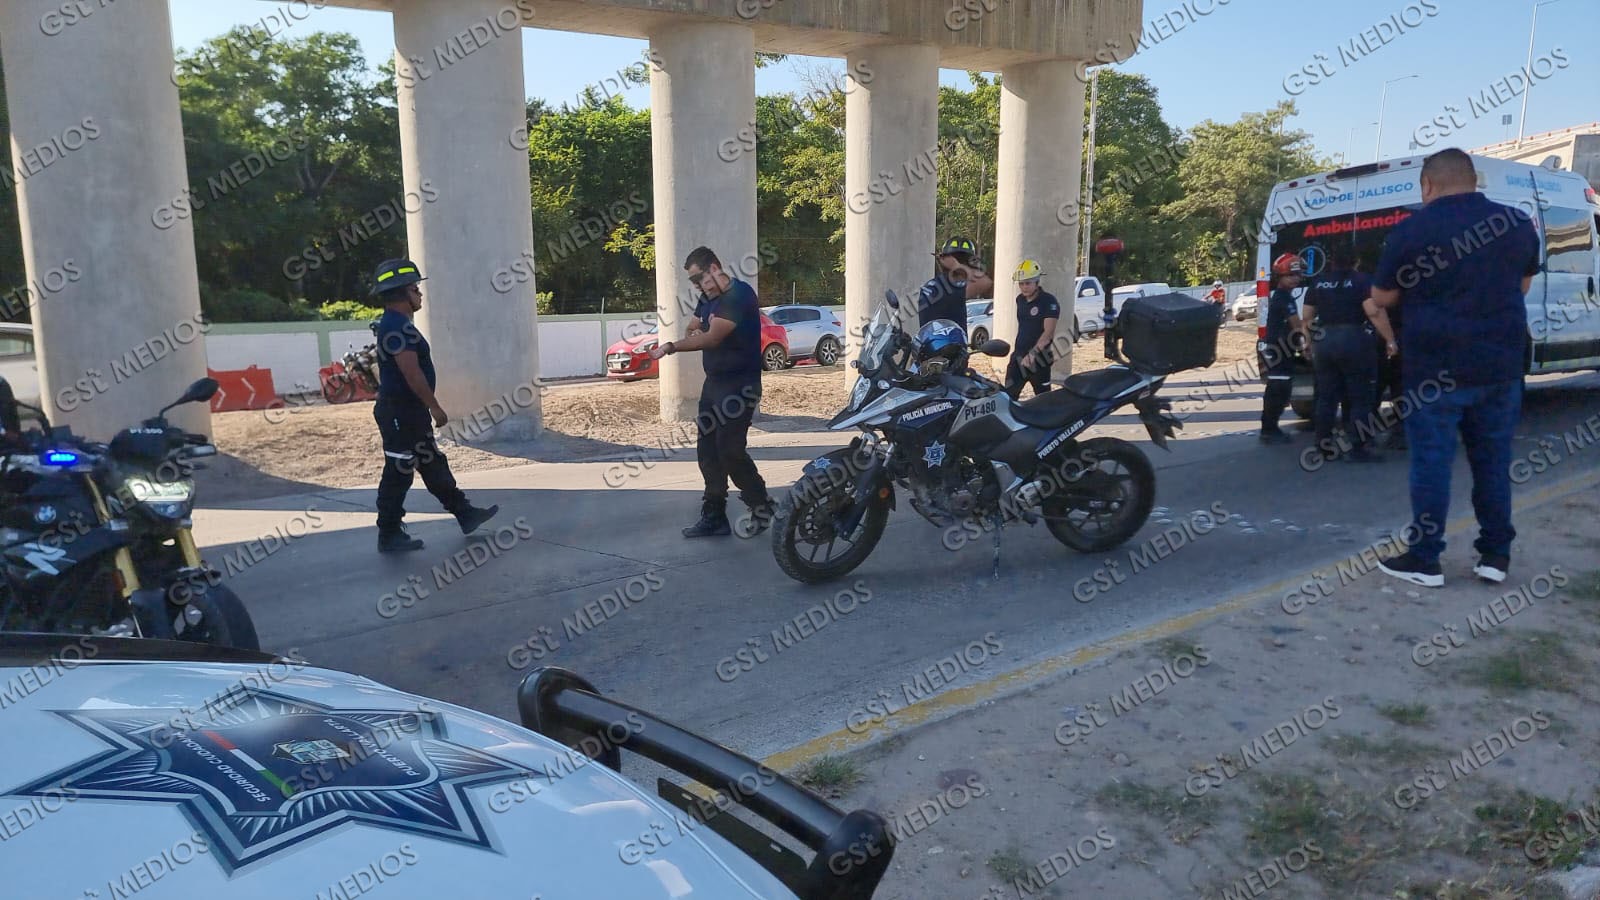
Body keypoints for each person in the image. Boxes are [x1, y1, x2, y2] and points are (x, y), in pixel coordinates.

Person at [1368, 148, 1540, 588]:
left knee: (1432, 463)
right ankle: (1495, 556)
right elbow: (1522, 285)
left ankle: (1425, 560)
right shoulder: (1517, 223)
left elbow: (1382, 297)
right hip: (1500, 366)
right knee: (1493, 462)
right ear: (1474, 179)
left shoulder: (1410, 230)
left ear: (1428, 185)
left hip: (1433, 370)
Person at [368, 258, 498, 553]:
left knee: (431, 462)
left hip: (409, 413)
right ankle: (388, 533)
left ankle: (465, 514)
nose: (420, 294)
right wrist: (435, 407)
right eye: (415, 289)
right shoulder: (396, 326)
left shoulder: (398, 324)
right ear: (402, 293)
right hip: (399, 413)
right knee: (398, 471)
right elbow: (411, 372)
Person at [649, 246, 776, 539]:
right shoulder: (708, 297)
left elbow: (713, 337)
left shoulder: (738, 296)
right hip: (714, 385)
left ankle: (761, 505)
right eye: (693, 281)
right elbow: (694, 326)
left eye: (698, 278)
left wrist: (671, 346)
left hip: (740, 387)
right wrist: (694, 330)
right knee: (707, 451)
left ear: (715, 269)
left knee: (729, 451)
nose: (696, 285)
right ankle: (714, 515)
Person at [1301, 248, 1386, 464]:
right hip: (1354, 339)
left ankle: (1322, 446)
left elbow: (1307, 317)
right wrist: (1390, 339)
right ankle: (1357, 448)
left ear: (1331, 263)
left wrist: (1308, 342)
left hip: (1324, 341)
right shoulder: (1362, 280)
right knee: (1360, 397)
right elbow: (1372, 311)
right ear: (1355, 262)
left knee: (1326, 398)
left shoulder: (1319, 282)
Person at [1259, 253, 1309, 444]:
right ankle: (1269, 429)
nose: (1296, 279)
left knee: (1280, 389)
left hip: (1280, 348)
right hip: (1279, 350)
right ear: (1280, 277)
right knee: (1278, 390)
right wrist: (1306, 345)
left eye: (1298, 275)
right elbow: (1296, 324)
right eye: (1291, 275)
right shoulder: (1283, 298)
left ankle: (1270, 428)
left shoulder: (1283, 296)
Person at [1002, 259, 1059, 400]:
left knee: (1044, 399)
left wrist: (1032, 354)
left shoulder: (1048, 301)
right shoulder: (1020, 300)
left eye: (1028, 283)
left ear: (1036, 282)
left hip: (1039, 359)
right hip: (1018, 357)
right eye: (1021, 284)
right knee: (1008, 397)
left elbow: (1048, 333)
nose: (1024, 287)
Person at [917, 236, 995, 332]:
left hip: (930, 340)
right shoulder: (953, 287)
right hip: (952, 341)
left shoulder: (931, 285)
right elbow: (985, 282)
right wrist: (956, 266)